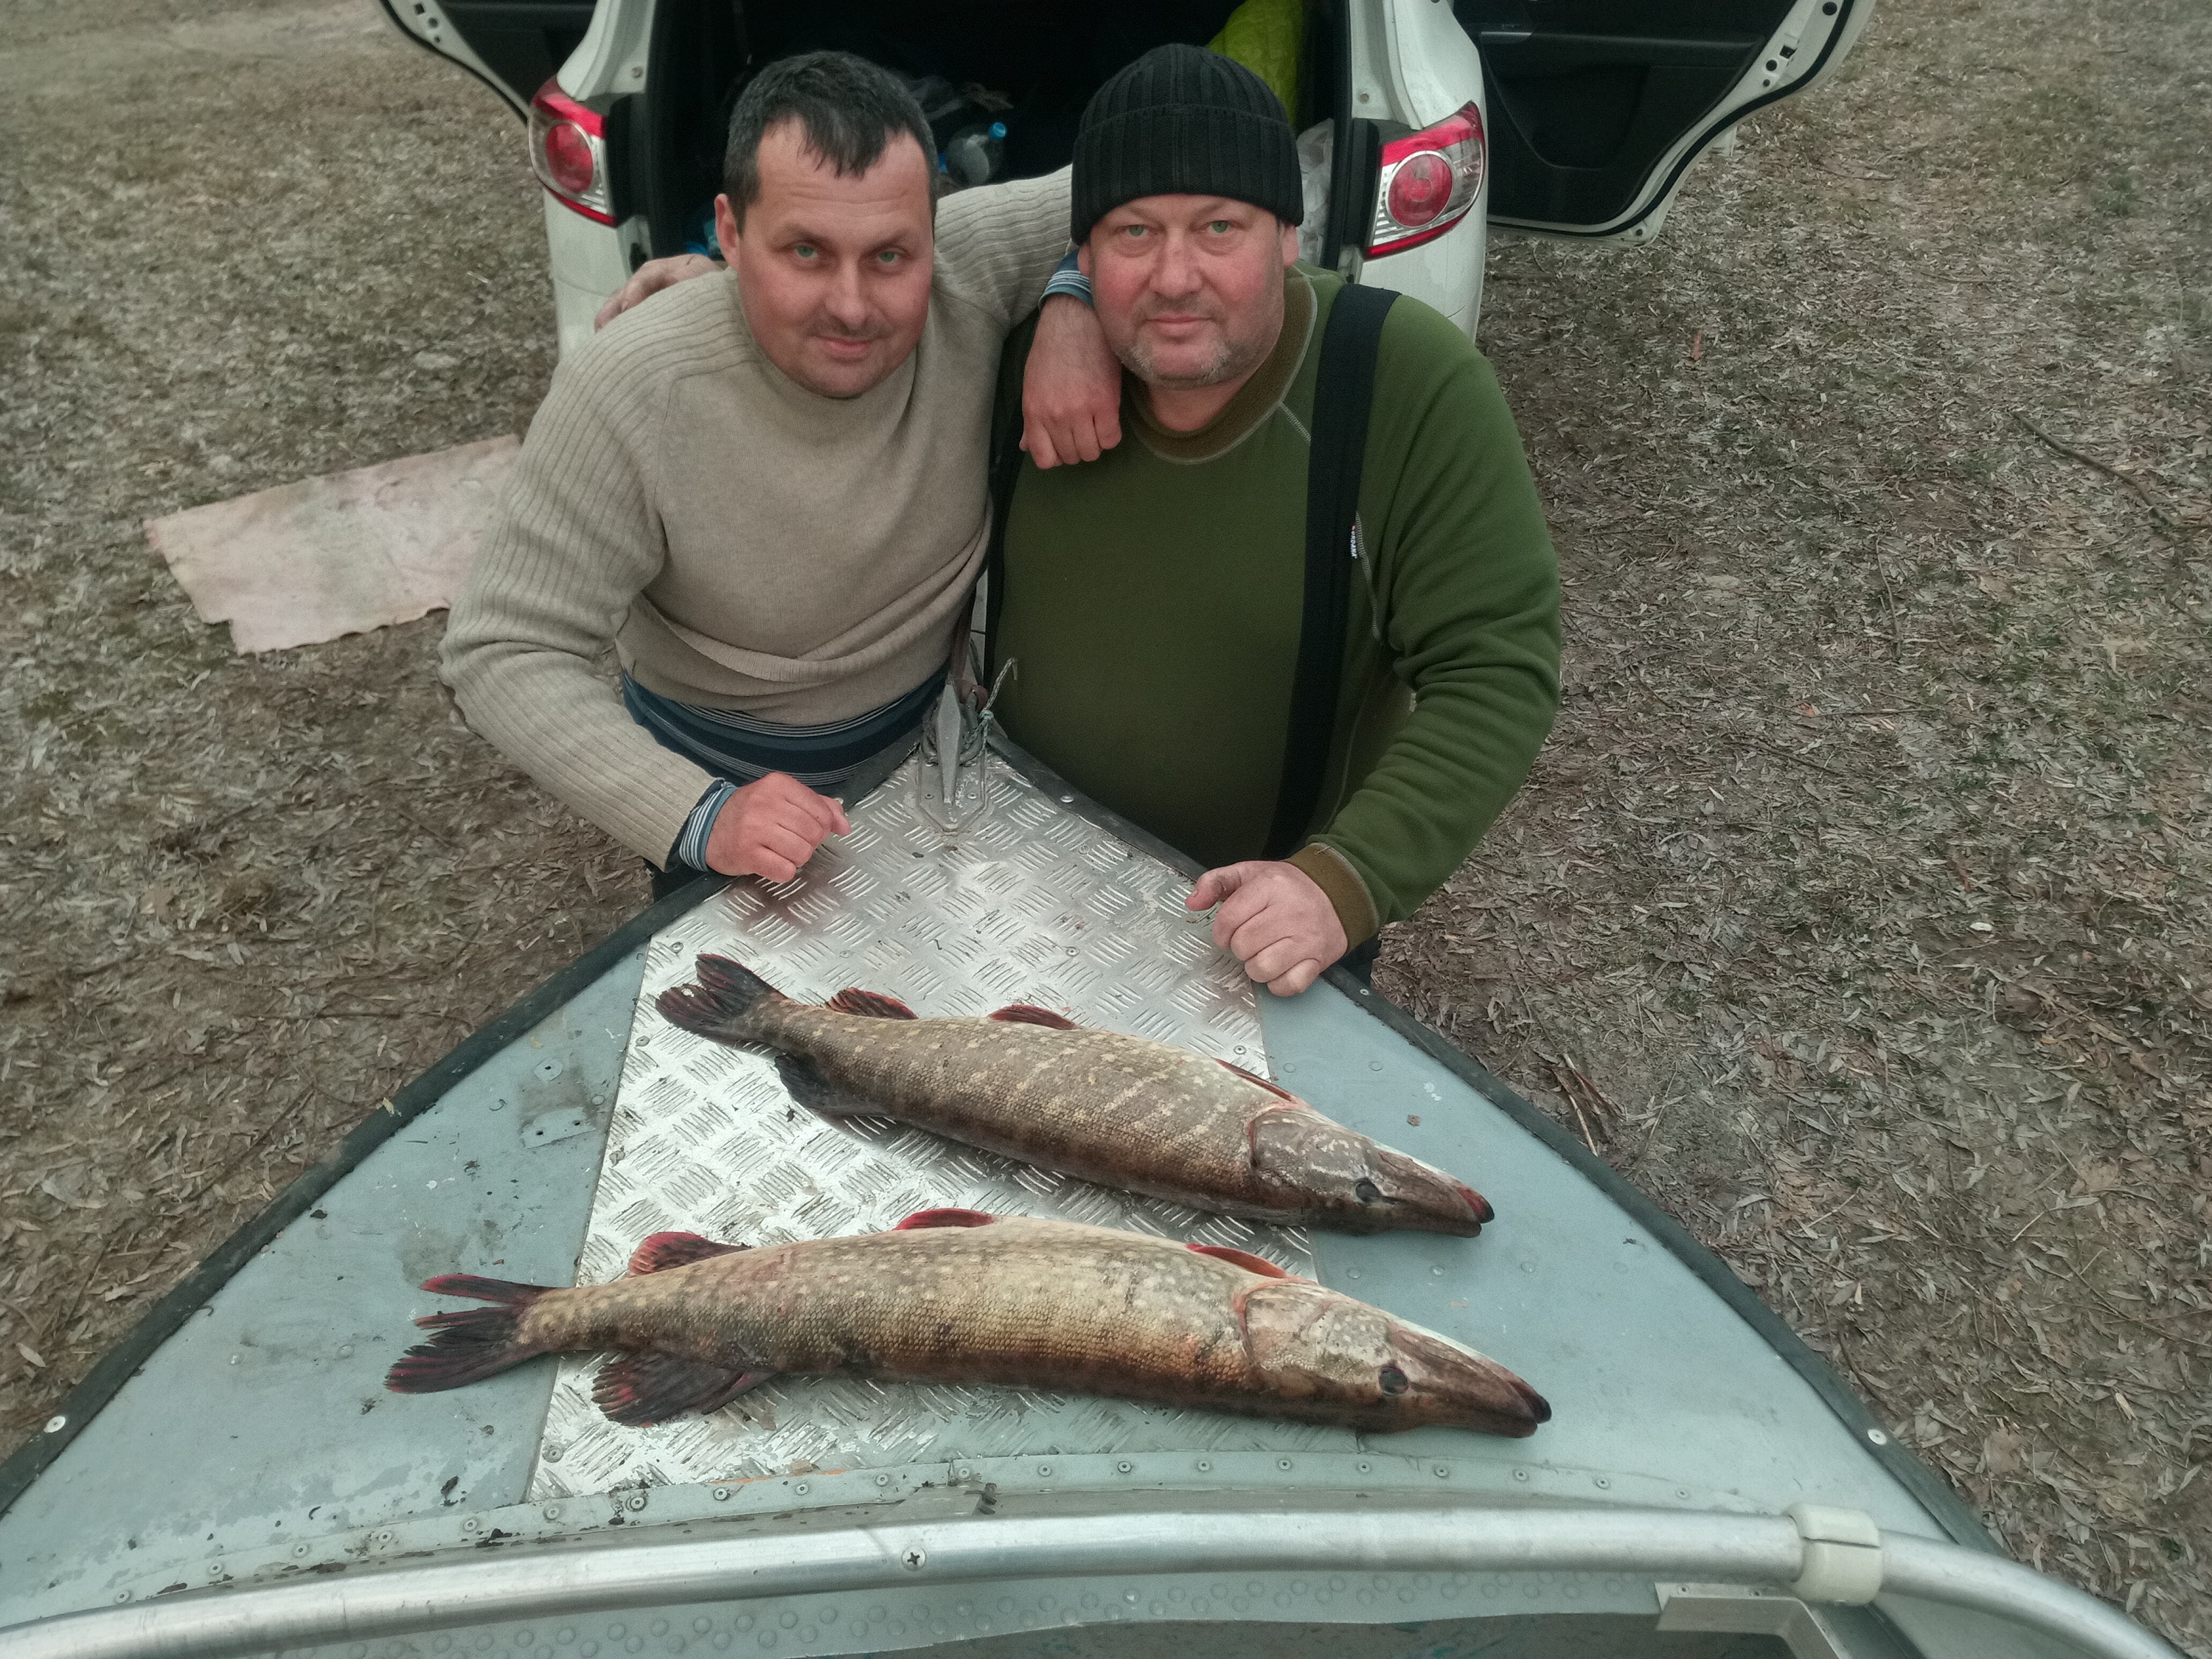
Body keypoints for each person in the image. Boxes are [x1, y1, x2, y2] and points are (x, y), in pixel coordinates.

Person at [441, 52, 1115, 893]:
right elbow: (503, 646)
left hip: (927, 772)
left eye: (890, 257)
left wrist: (1074, 297)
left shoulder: (968, 266)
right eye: (805, 251)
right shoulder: (634, 386)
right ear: (729, 233)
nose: (852, 305)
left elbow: (1158, 163)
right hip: (721, 802)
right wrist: (699, 814)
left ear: (933, 230)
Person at [984, 46, 1561, 997]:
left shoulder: (1401, 382)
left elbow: (1497, 665)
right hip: (1013, 867)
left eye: (1220, 227)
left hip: (1247, 926)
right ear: (1082, 254)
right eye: (1134, 233)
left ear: (1289, 235)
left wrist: (1343, 881)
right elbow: (867, 278)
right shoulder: (1021, 366)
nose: (1175, 276)